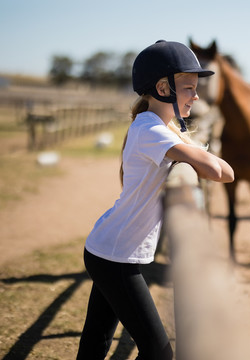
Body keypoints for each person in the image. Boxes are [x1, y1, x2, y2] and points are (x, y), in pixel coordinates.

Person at [77, 40, 234, 360]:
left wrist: (188, 146)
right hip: (115, 256)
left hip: (109, 249)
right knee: (159, 352)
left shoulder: (160, 127)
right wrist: (193, 150)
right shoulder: (152, 130)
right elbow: (217, 171)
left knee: (96, 341)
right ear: (163, 88)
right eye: (189, 87)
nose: (197, 95)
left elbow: (226, 171)